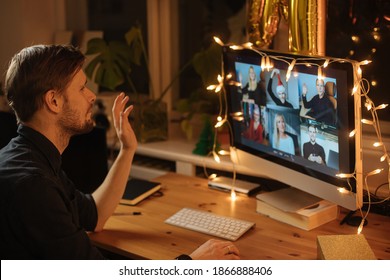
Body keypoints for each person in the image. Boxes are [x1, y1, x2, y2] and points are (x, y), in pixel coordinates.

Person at [0, 44, 240, 260]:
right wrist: (193, 264)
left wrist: (128, 148)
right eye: (82, 88)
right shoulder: (33, 186)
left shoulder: (32, 158)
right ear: (53, 101)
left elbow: (95, 216)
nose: (92, 95)